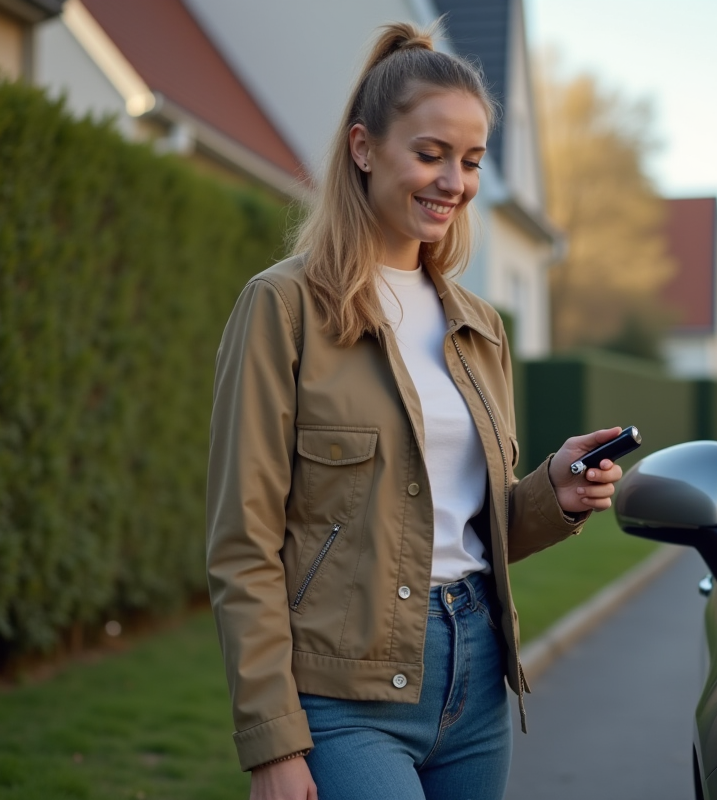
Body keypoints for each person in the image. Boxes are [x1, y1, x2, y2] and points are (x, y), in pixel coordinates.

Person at [205, 21, 624, 800]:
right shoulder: (284, 308)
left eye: (470, 161)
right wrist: (271, 741)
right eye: (430, 154)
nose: (454, 183)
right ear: (364, 148)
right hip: (343, 695)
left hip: (478, 682)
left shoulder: (480, 326)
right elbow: (243, 542)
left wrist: (551, 494)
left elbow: (469, 526)